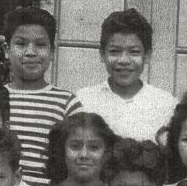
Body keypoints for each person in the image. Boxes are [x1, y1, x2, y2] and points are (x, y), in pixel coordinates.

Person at [3, 6, 81, 186]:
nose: (31, 52)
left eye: (40, 45)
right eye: (21, 44)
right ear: (7, 50)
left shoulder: (67, 104)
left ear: (52, 52)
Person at [76, 8, 177, 141]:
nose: (123, 60)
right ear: (102, 54)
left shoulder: (166, 104)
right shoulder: (83, 101)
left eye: (134, 52)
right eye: (114, 51)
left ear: (147, 56)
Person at [32, 111, 117, 186]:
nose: (84, 155)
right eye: (75, 146)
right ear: (62, 150)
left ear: (106, 153)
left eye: (94, 147)